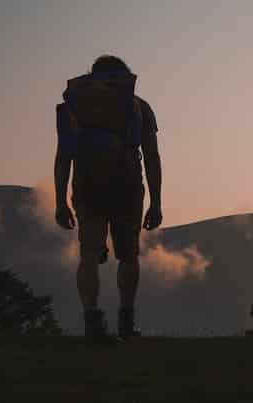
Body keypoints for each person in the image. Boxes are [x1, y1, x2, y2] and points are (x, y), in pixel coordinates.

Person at [54, 55, 162, 341]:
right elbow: (151, 156)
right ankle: (126, 324)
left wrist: (60, 200)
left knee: (88, 254)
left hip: (87, 184)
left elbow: (63, 157)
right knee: (128, 256)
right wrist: (156, 201)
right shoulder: (139, 107)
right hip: (127, 186)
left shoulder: (74, 108)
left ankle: (92, 322)